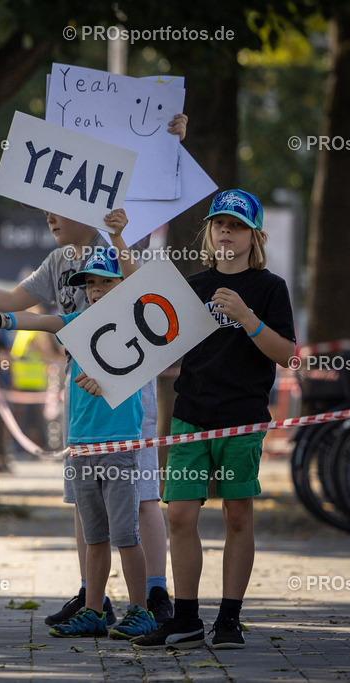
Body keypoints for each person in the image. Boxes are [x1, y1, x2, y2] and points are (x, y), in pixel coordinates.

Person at [0, 115, 188, 628]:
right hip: (81, 399)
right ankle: (93, 596)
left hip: (128, 398)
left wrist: (171, 141)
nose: (48, 214)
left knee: (141, 494)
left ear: (93, 207)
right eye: (44, 206)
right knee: (85, 501)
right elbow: (15, 303)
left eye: (59, 204)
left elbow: (155, 278)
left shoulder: (124, 251)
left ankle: (153, 596)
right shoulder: (60, 261)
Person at [0, 242, 156, 640]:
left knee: (125, 536)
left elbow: (144, 296)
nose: (98, 290)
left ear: (123, 285)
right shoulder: (76, 323)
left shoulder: (138, 329)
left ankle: (143, 611)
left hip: (117, 447)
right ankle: (94, 612)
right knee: (95, 536)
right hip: (79, 445)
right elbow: (39, 322)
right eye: (91, 284)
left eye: (106, 282)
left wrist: (109, 382)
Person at [132, 190, 295, 650]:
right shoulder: (191, 286)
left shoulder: (269, 288)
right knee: (180, 515)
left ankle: (229, 619)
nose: (227, 231)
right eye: (219, 223)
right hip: (190, 417)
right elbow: (145, 324)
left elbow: (288, 356)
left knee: (238, 516)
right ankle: (185, 619)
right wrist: (102, 375)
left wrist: (247, 318)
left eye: (237, 225)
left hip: (242, 421)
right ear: (209, 231)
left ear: (254, 236)